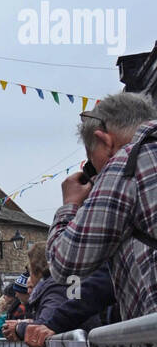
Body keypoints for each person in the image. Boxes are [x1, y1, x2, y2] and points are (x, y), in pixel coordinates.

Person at [47, 92, 157, 322]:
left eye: (91, 159)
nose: (95, 172)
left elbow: (65, 263)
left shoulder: (126, 161)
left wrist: (70, 205)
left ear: (105, 141)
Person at [7, 241, 117, 347]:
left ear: (37, 270)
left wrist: (18, 328)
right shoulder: (62, 285)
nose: (29, 280)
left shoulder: (56, 288)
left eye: (30, 271)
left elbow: (46, 324)